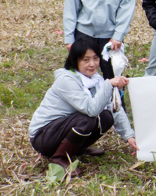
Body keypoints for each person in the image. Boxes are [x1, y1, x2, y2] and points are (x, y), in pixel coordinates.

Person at [29, 39, 138, 177]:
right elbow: (90, 109)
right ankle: (59, 158)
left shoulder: (95, 79)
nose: (92, 64)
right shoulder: (66, 80)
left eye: (95, 58)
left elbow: (112, 107)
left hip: (61, 129)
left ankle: (77, 149)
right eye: (85, 59)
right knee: (87, 119)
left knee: (106, 117)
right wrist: (109, 84)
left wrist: (129, 136)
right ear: (75, 60)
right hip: (44, 136)